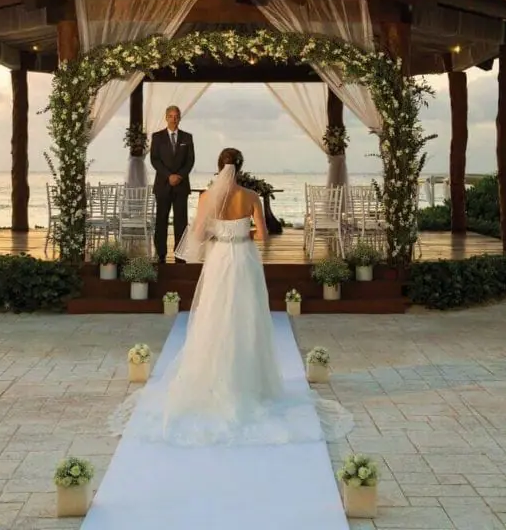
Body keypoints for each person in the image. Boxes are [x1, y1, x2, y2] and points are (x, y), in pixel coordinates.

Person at [109, 148, 353, 447]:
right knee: (247, 315)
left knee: (215, 314)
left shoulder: (206, 196)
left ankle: (212, 378)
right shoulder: (251, 196)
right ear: (240, 167)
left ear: (218, 166)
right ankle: (249, 382)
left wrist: (220, 233)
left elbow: (198, 234)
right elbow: (263, 235)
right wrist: (241, 234)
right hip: (245, 260)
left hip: (219, 259)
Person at [149, 105, 194, 265]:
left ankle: (180, 255)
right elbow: (154, 159)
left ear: (180, 118)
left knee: (181, 222)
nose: (174, 119)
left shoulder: (187, 138)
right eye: (171, 116)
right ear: (166, 117)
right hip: (163, 184)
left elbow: (190, 161)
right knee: (161, 220)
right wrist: (169, 176)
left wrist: (180, 176)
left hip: (181, 185)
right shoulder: (157, 137)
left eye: (176, 116)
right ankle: (160, 254)